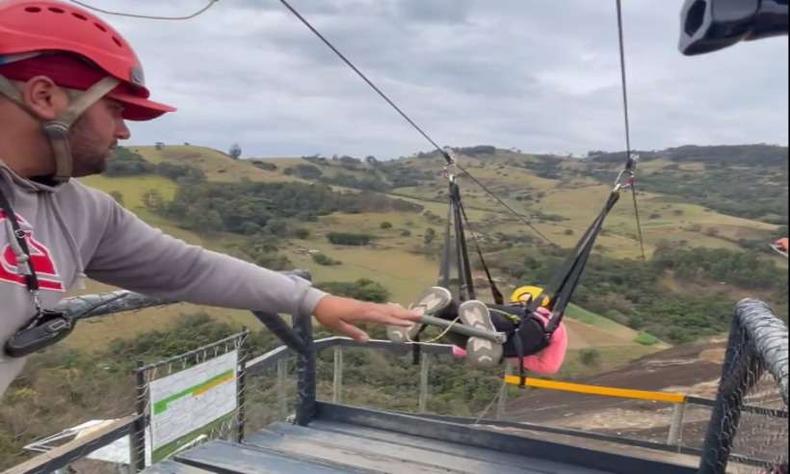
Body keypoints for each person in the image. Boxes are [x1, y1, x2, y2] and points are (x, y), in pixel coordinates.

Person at [0, 0, 419, 396]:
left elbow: (189, 269)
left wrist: (314, 300)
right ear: (44, 97)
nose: (125, 132)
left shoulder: (82, 211)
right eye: (114, 110)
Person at [388, 286, 568, 374]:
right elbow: (549, 367)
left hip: (471, 335)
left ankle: (439, 310)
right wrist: (510, 357)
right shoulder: (555, 325)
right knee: (495, 326)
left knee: (453, 318)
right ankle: (484, 332)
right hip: (518, 341)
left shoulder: (510, 309)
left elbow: (460, 351)